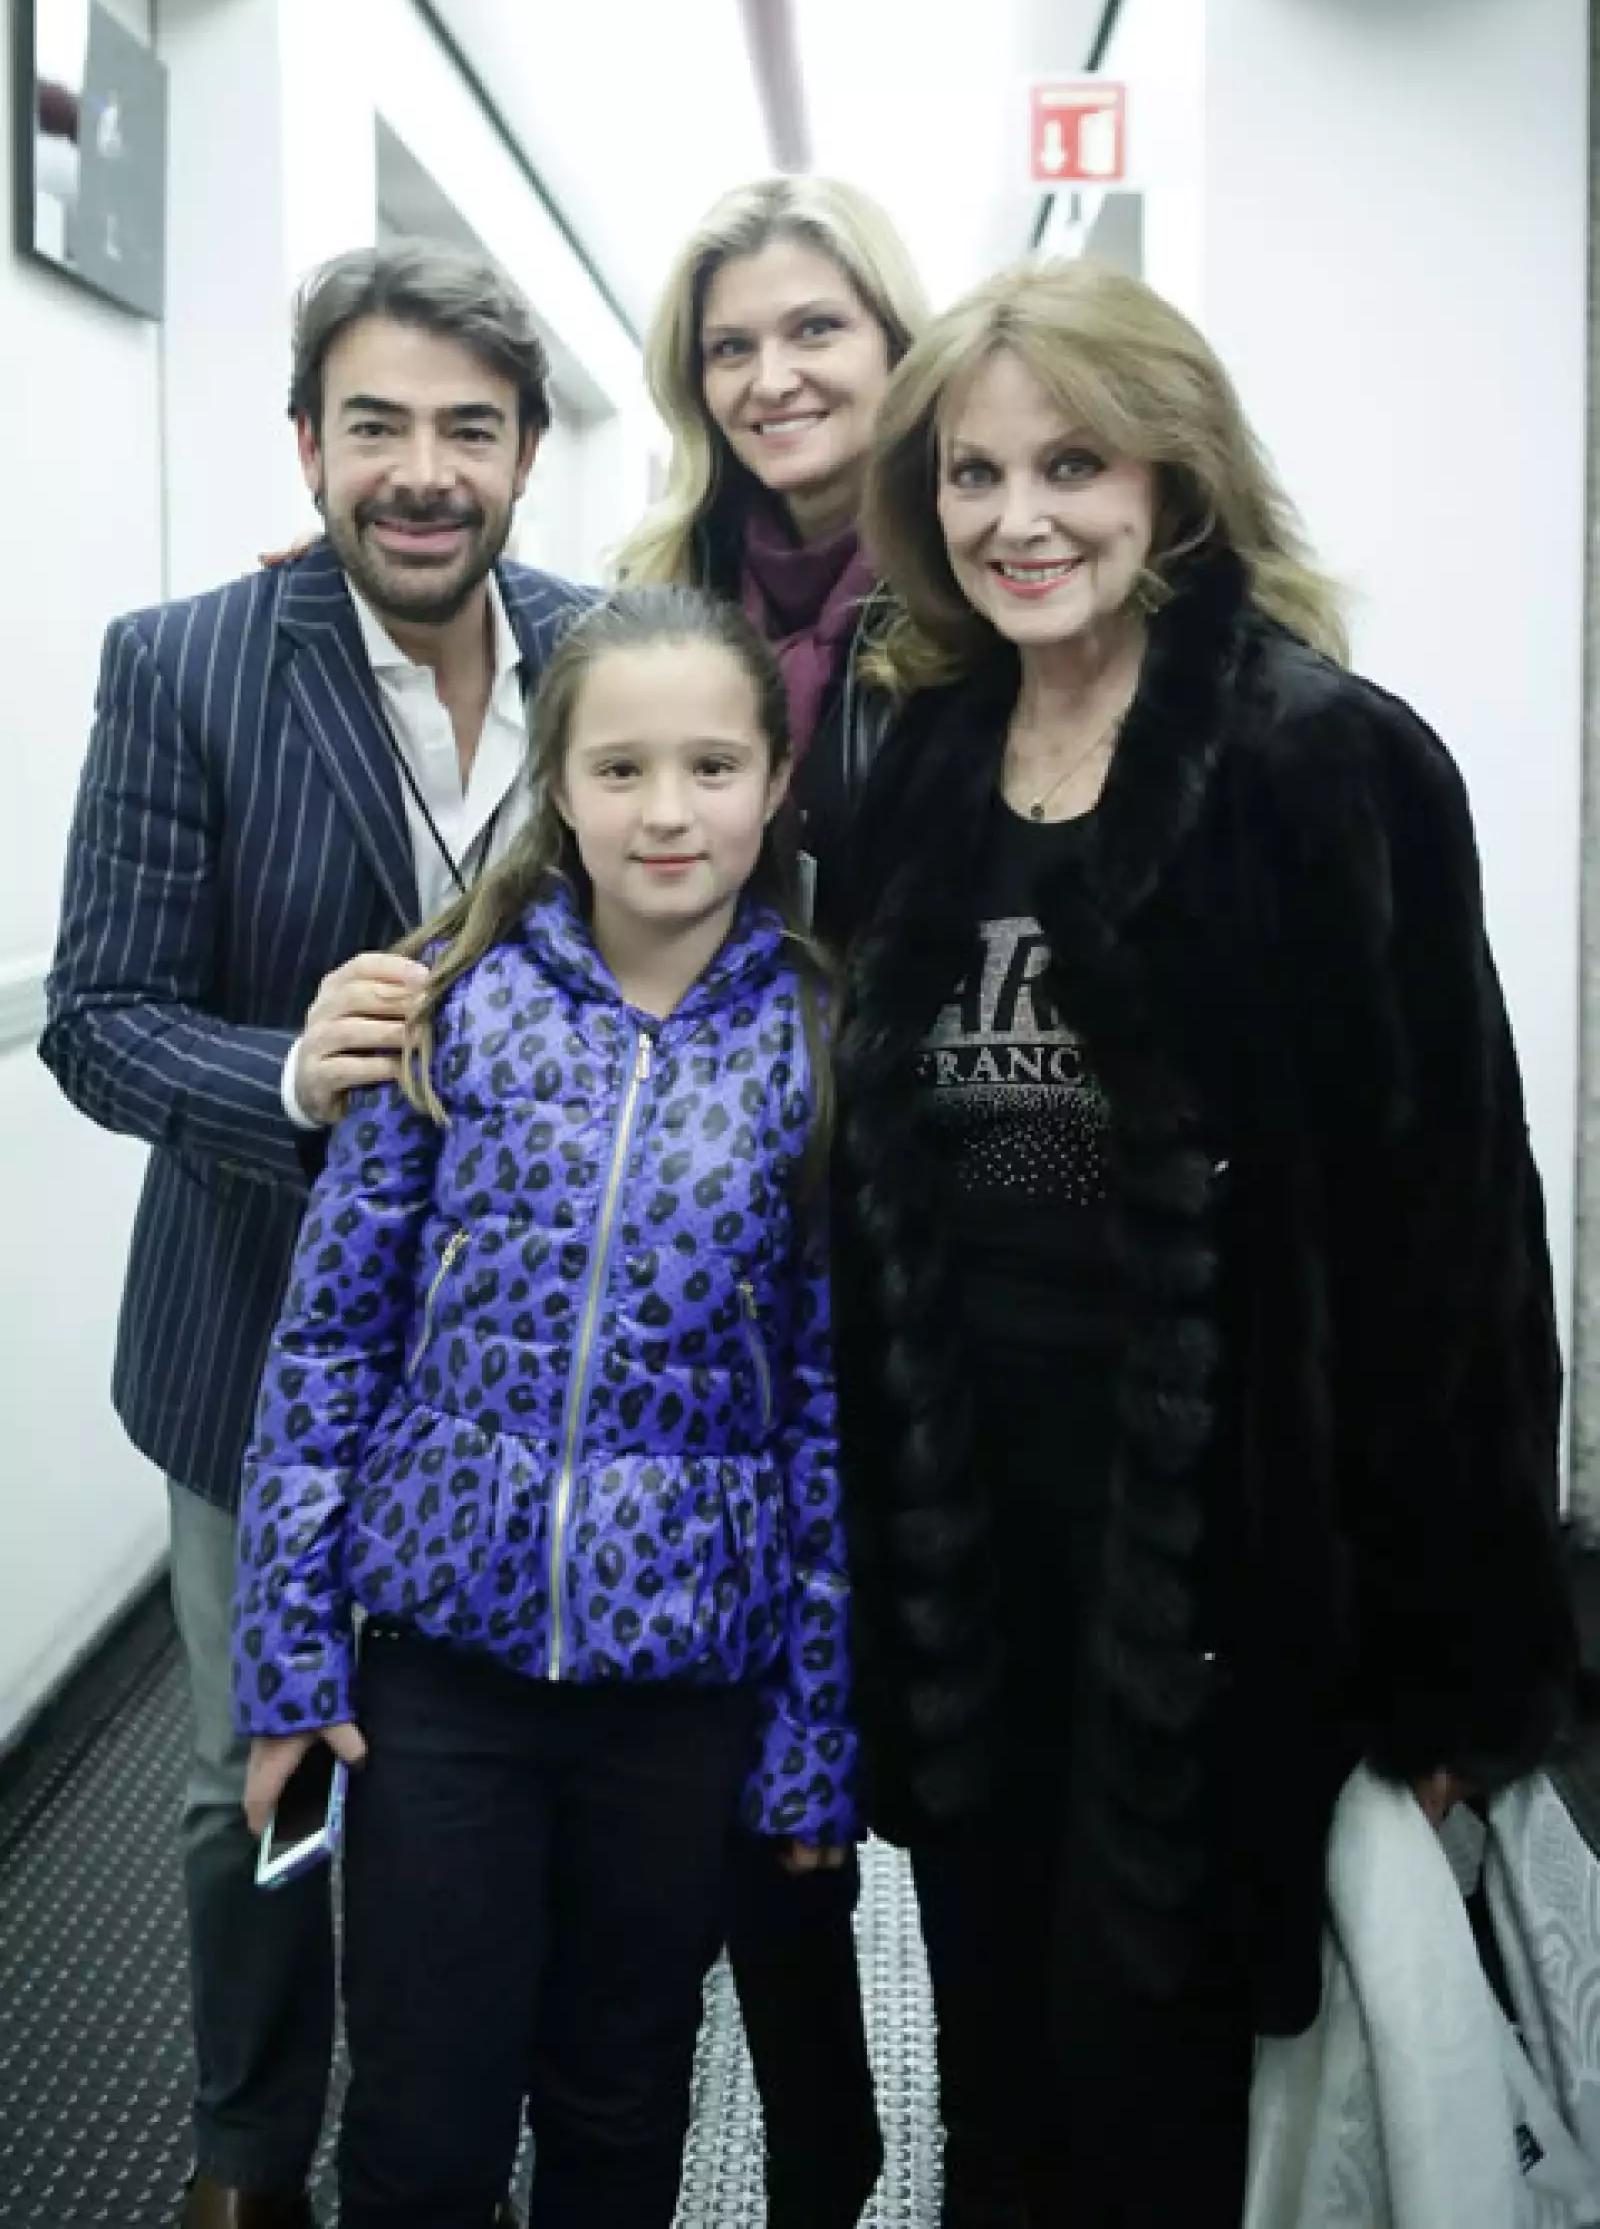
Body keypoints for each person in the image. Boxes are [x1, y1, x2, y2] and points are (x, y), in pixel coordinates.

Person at [828, 256, 1578, 2225]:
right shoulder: (915, 764)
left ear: (1171, 475)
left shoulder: (1323, 762)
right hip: (973, 1537)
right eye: (972, 476)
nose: (1018, 518)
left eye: (1069, 461)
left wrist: (1452, 1666)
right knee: (990, 2052)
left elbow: (1457, 1238)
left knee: (1173, 2086)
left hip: (1228, 1556)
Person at [41, 240, 589, 2229]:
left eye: (466, 427)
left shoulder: (611, 647)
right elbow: (96, 1016)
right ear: (309, 444)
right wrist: (287, 1073)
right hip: (254, 1340)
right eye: (376, 426)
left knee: (495, 1770)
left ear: (527, 452)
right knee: (250, 1777)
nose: (419, 470)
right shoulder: (184, 661)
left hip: (537, 1367)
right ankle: (252, 2152)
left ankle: (487, 2135)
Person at [232, 585, 856, 2229]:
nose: (668, 810)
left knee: (620, 2093)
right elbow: (326, 1350)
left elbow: (825, 1422)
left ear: (777, 779)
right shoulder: (454, 999)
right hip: (443, 1681)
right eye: (623, 766)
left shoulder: (816, 1039)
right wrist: (289, 1658)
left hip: (682, 1694)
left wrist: (810, 1726)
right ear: (558, 787)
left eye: (713, 764)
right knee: (427, 2118)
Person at [612, 173, 929, 2227]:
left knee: (950, 1759)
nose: (773, 372)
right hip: (725, 1280)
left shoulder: (978, 597)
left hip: (948, 1270)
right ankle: (819, 2147)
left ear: (889, 342)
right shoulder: (646, 597)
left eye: (814, 327)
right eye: (731, 342)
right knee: (742, 1792)